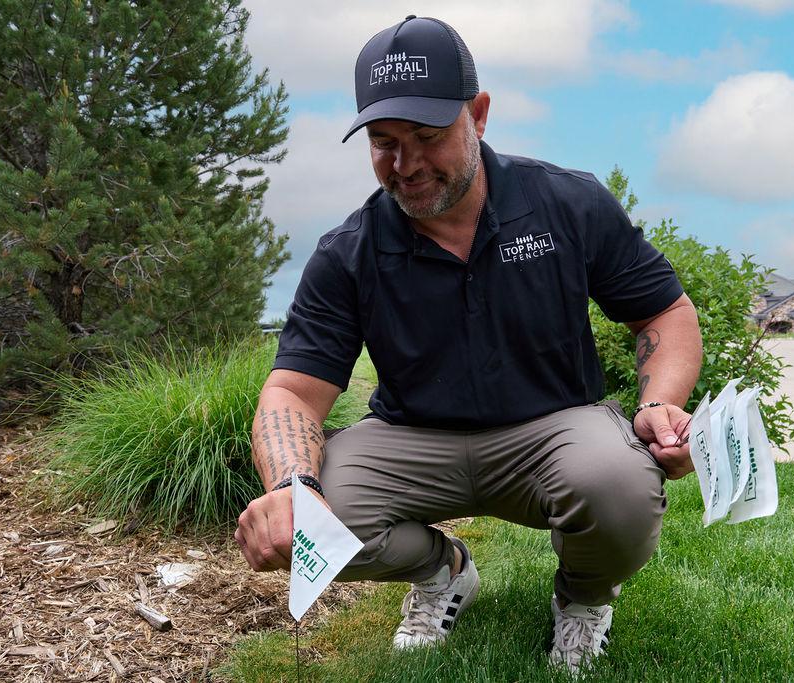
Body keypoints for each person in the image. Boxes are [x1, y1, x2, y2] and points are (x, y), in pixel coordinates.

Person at [234, 15, 702, 674]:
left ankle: (584, 597)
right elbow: (290, 391)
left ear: (478, 115)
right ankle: (442, 569)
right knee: (310, 523)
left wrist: (661, 400)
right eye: (384, 142)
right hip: (414, 439)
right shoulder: (349, 253)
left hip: (553, 428)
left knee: (618, 481)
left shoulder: (566, 203)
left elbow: (666, 314)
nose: (407, 164)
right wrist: (290, 486)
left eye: (428, 136)